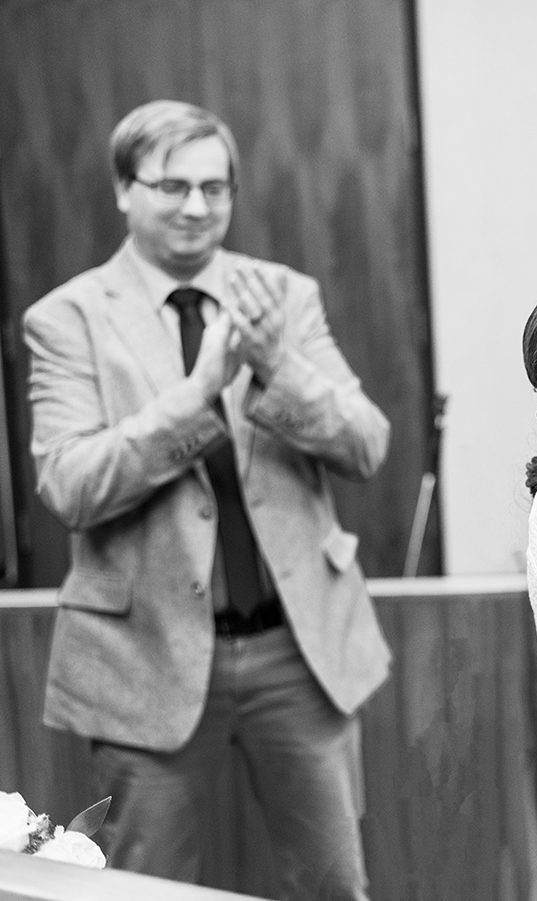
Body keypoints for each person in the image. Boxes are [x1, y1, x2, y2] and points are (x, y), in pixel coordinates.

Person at [24, 100, 389, 899]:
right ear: (124, 188)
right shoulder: (66, 318)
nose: (197, 207)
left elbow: (366, 444)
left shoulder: (282, 296)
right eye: (172, 185)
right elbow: (72, 486)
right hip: (142, 655)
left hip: (298, 651)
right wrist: (195, 398)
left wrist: (280, 369)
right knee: (143, 888)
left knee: (335, 883)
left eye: (215, 188)